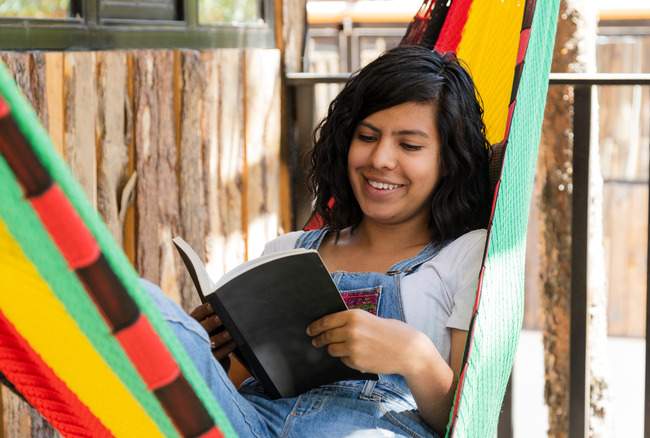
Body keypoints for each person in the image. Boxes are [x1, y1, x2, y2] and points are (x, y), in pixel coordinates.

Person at [143, 44, 491, 437]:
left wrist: (417, 356)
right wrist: (208, 354)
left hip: (376, 428)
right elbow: (241, 383)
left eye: (409, 145)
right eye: (367, 136)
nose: (380, 159)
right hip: (252, 422)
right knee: (147, 306)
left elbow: (470, 425)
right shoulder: (286, 252)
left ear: (448, 161)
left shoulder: (467, 256)